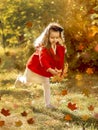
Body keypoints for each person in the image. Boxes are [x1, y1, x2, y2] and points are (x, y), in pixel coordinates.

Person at [14, 22, 67, 109]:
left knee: (46, 84)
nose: (54, 40)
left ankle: (48, 104)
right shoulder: (44, 47)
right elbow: (43, 60)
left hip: (44, 70)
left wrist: (59, 70)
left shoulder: (60, 47)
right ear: (47, 37)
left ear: (60, 37)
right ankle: (20, 78)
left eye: (57, 37)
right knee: (27, 83)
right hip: (33, 67)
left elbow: (60, 60)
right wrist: (50, 70)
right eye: (52, 37)